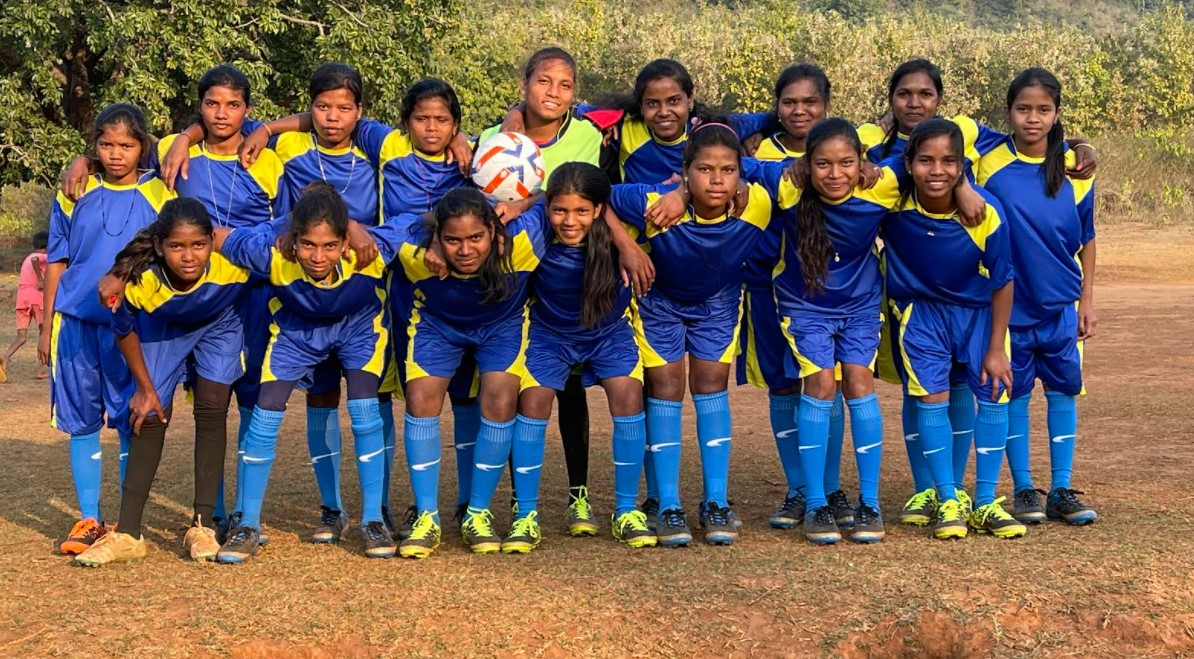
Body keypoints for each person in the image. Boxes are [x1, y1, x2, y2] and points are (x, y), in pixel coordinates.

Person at [213, 184, 403, 563]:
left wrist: (359, 229)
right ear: (293, 239)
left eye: (331, 245)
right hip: (297, 333)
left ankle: (373, 519)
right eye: (309, 245)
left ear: (345, 240)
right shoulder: (269, 250)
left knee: (365, 412)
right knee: (265, 415)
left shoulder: (371, 248)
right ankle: (251, 523)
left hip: (358, 330)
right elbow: (215, 234)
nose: (319, 256)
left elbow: (424, 222)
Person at [606, 123, 771, 547]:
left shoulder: (756, 204)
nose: (716, 180)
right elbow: (595, 196)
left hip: (716, 303)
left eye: (728, 170)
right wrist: (627, 243)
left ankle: (715, 501)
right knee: (665, 387)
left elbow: (795, 173)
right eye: (704, 170)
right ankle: (668, 504)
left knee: (711, 386)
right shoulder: (652, 203)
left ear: (740, 173)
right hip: (659, 301)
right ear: (684, 170)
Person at [746, 117, 903, 543]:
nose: (835, 174)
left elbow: (922, 155)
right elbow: (736, 162)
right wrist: (782, 164)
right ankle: (816, 503)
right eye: (823, 165)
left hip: (860, 304)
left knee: (858, 381)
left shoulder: (881, 186)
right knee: (818, 384)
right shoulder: (789, 186)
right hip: (805, 304)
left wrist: (876, 163)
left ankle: (868, 503)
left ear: (860, 164)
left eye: (846, 163)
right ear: (806, 165)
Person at [71, 199, 248, 566]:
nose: (188, 256)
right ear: (158, 246)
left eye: (198, 245)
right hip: (162, 328)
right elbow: (124, 331)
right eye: (176, 246)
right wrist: (144, 388)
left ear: (213, 241)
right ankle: (129, 533)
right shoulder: (141, 281)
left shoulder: (235, 264)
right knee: (149, 415)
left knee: (213, 408)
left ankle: (203, 525)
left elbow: (283, 237)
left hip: (218, 326)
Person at [487, 47, 616, 536]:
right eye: (544, 82)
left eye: (564, 85)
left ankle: (578, 495)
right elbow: (486, 200)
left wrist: (531, 199)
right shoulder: (496, 139)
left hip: (575, 279)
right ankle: (522, 503)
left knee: (572, 392)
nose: (553, 93)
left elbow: (582, 194)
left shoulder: (586, 135)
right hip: (521, 281)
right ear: (524, 84)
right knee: (525, 391)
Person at [40, 103, 175, 555]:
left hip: (130, 327)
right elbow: (56, 261)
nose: (116, 153)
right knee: (82, 423)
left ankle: (125, 518)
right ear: (94, 146)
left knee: (127, 420)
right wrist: (45, 327)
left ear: (143, 147)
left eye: (127, 144)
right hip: (75, 321)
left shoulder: (160, 193)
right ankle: (88, 518)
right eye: (106, 144)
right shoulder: (74, 188)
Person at [882, 118, 1023, 541]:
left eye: (948, 161)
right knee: (931, 399)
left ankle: (984, 501)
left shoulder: (985, 211)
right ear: (908, 164)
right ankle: (947, 497)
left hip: (978, 315)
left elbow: (1003, 280)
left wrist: (996, 347)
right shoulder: (893, 205)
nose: (936, 170)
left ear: (963, 164)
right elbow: (861, 168)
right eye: (925, 160)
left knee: (994, 392)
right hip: (921, 316)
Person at [389, 187, 548, 558]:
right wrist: (427, 238)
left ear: (494, 231)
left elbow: (549, 193)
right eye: (452, 240)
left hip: (502, 326)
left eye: (476, 237)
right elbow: (386, 227)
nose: (465, 250)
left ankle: (477, 513)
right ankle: (426, 516)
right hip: (437, 325)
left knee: (501, 397)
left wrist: (521, 203)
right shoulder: (416, 251)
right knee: (421, 399)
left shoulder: (524, 241)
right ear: (438, 237)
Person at [977, 68, 1098, 526]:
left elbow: (1088, 238)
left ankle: (1062, 487)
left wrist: (1086, 302)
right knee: (1016, 395)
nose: (1033, 119)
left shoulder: (1075, 168)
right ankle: (1025, 488)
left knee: (1064, 391)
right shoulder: (988, 160)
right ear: (1008, 112)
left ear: (1057, 113)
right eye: (1024, 109)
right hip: (1010, 310)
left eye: (1043, 110)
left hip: (1062, 306)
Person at [514, 161, 655, 552]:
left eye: (580, 211)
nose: (569, 220)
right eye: (560, 210)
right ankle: (525, 513)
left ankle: (626, 509)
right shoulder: (537, 237)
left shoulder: (617, 240)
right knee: (534, 401)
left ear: (598, 211)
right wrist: (526, 204)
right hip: (549, 335)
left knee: (628, 394)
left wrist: (626, 242)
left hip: (607, 334)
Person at [1, 231, 49, 383]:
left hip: (22, 298)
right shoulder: (42, 257)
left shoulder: (26, 259)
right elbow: (37, 259)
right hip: (35, 297)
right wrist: (41, 279)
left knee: (22, 337)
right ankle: (40, 370)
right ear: (46, 246)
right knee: (45, 332)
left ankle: (5, 359)